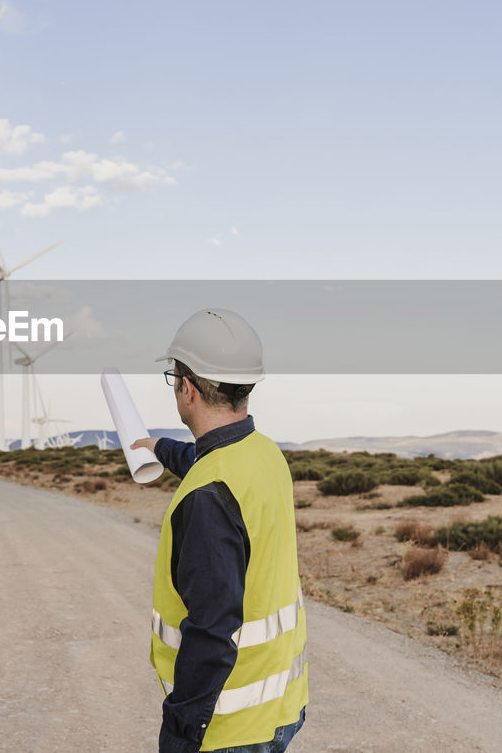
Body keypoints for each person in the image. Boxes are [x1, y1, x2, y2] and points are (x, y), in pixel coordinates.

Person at [130, 309, 307, 753]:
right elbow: (206, 462)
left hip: (228, 730)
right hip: (280, 708)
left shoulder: (208, 496)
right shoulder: (264, 454)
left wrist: (179, 733)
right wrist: (159, 448)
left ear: (185, 387)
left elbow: (211, 631)